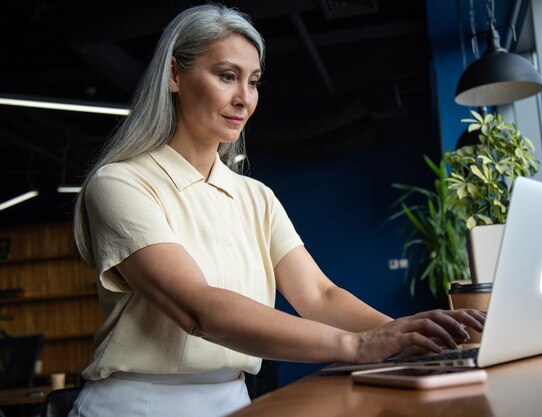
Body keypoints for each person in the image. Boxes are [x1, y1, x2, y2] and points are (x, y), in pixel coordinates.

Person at [69, 4, 485, 417]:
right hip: (138, 404)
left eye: (253, 82)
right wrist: (356, 345)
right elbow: (197, 309)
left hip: (234, 397)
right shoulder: (120, 184)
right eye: (227, 76)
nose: (243, 99)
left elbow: (319, 295)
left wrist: (409, 334)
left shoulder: (257, 197)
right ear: (175, 75)